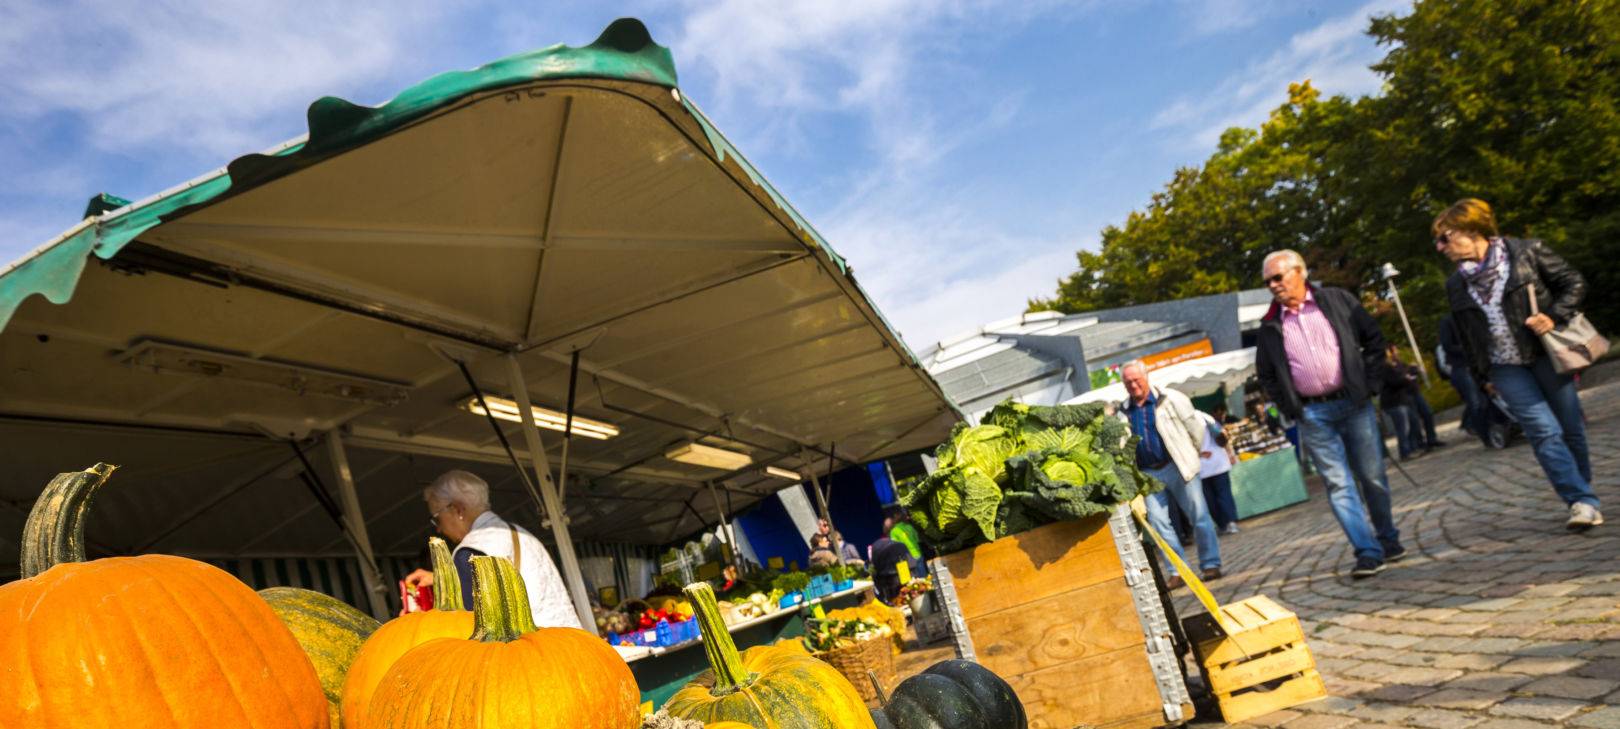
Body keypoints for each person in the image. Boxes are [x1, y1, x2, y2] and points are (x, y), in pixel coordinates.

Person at [1435, 198, 1601, 530]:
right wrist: (1482, 376)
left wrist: (1552, 316)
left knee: (1571, 428)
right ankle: (1579, 500)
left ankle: (1583, 494)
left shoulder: (1526, 252)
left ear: (1472, 230)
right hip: (1504, 367)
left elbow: (1574, 282)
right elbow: (1468, 336)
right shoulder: (1456, 284)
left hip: (1545, 355)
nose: (1441, 247)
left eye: (1446, 237)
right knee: (1543, 431)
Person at [1256, 249, 1405, 578]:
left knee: (1372, 477)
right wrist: (1289, 406)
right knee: (1338, 485)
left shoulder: (1337, 300)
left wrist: (1371, 384)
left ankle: (1387, 537)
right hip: (1313, 415)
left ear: (1300, 272)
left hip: (1355, 404)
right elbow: (1265, 374)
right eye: (1268, 281)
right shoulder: (1269, 326)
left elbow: (1374, 340)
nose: (1273, 285)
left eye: (1278, 277)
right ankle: (1367, 551)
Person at [405, 470, 582, 628]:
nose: (438, 529)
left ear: (457, 509)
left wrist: (421, 621)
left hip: (536, 656)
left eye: (437, 519)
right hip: (572, 643)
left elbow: (468, 627)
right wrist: (441, 579)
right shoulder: (521, 534)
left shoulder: (471, 550)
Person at [1118, 360, 1223, 587]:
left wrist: (1191, 455)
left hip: (1179, 466)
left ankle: (1210, 564)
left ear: (1147, 376)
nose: (1133, 385)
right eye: (1128, 382)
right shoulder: (1123, 412)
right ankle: (1178, 571)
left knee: (1199, 517)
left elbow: (1195, 429)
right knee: (1158, 523)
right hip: (1148, 474)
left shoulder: (1172, 399)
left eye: (1136, 380)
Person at [1438, 313, 1487, 437]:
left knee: (1485, 398)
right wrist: (1469, 349)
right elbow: (1447, 345)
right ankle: (1483, 432)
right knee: (1475, 402)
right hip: (1461, 367)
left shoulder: (1469, 318)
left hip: (1476, 364)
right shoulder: (1447, 321)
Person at [1197, 409, 1240, 535]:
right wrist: (1230, 453)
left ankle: (1222, 524)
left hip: (1200, 465)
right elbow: (1223, 436)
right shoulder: (1205, 416)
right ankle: (1230, 522)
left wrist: (1198, 453)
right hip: (1218, 461)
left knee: (1210, 499)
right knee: (1224, 494)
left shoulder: (1180, 420)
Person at [1381, 345, 1424, 460]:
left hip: (1400, 401)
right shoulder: (1385, 367)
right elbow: (1394, 381)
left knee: (1410, 424)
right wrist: (1406, 379)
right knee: (1403, 428)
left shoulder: (1393, 366)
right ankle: (1405, 452)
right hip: (1394, 402)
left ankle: (1411, 448)